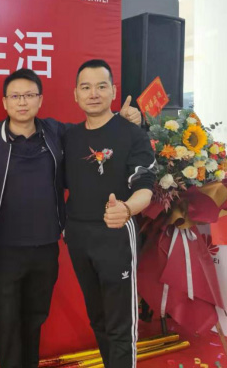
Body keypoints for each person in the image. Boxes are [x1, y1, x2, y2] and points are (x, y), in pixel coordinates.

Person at [0, 68, 142, 368]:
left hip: (46, 246)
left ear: (40, 100)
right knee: (7, 321)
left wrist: (125, 119)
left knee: (34, 320)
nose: (22, 102)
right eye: (15, 96)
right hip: (4, 248)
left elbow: (95, 129)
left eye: (29, 95)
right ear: (4, 102)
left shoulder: (58, 132)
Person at [64, 59, 155, 368]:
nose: (94, 94)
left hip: (116, 235)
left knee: (120, 323)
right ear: (75, 94)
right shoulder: (69, 137)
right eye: (86, 87)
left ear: (113, 91)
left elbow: (145, 187)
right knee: (98, 318)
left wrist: (127, 208)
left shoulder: (132, 134)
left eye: (101, 86)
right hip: (79, 236)